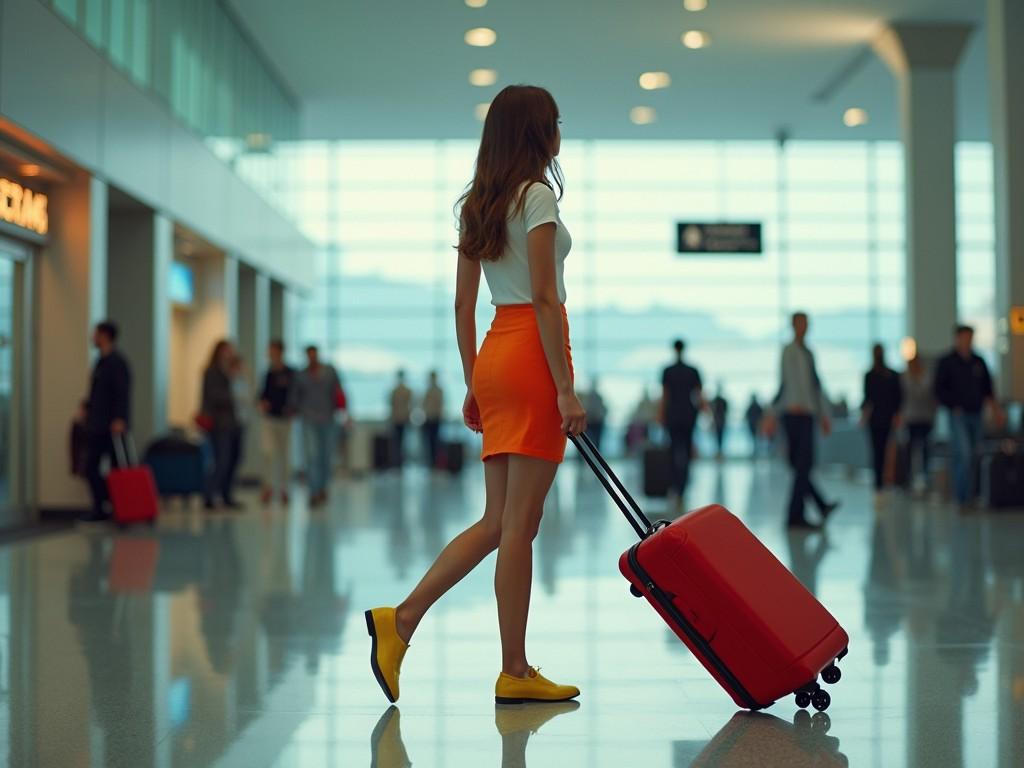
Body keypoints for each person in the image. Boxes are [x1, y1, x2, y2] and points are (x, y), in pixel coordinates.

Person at [366, 85, 586, 707]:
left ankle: (402, 620)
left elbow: (463, 303)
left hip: (494, 351)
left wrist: (472, 380)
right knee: (520, 525)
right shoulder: (537, 197)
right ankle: (513, 669)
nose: (559, 131)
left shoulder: (480, 205)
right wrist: (565, 388)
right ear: (536, 134)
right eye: (554, 123)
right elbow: (545, 297)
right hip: (534, 357)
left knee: (498, 521)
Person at [766, 312, 840, 530]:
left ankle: (809, 509)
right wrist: (771, 414)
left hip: (807, 416)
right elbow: (783, 385)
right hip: (792, 415)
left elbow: (815, 387)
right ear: (793, 326)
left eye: (807, 323)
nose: (804, 327)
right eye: (801, 323)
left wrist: (823, 414)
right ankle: (800, 514)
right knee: (800, 466)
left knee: (802, 466)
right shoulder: (788, 352)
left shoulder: (808, 354)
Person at [933, 325, 1005, 505]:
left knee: (974, 454)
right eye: (964, 337)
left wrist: (996, 411)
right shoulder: (947, 362)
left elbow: (988, 389)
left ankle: (971, 495)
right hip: (958, 415)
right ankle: (961, 497)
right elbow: (938, 390)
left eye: (970, 338)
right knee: (963, 454)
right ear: (957, 338)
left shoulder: (978, 362)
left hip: (976, 413)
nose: (967, 341)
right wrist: (952, 405)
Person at [79, 321, 131, 522]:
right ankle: (102, 507)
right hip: (97, 424)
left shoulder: (117, 362)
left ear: (105, 336)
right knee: (91, 467)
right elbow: (97, 393)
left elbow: (122, 393)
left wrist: (120, 418)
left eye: (96, 334)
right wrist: (86, 407)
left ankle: (120, 507)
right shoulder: (100, 361)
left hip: (112, 426)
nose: (93, 337)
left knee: (118, 469)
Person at [290, 345, 342, 507]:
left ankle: (322, 487)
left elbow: (339, 392)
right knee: (312, 455)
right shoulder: (301, 374)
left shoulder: (330, 372)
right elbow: (295, 396)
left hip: (328, 418)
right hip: (308, 418)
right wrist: (294, 409)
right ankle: (313, 491)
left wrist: (344, 412)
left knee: (326, 455)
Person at [201, 340, 243, 510]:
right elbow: (213, 396)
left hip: (235, 423)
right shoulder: (212, 372)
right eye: (226, 351)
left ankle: (226, 494)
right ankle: (210, 495)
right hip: (220, 424)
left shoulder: (232, 372)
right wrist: (233, 396)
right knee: (221, 460)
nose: (229, 354)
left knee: (234, 459)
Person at [660, 339, 703, 503]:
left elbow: (665, 395)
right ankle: (683, 485)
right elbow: (698, 395)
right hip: (689, 415)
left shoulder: (667, 371)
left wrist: (661, 414)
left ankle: (675, 485)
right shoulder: (693, 371)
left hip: (672, 415)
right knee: (686, 450)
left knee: (673, 450)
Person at [860, 343, 903, 496]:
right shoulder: (874, 375)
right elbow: (868, 399)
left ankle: (885, 481)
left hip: (884, 419)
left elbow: (898, 398)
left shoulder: (889, 375)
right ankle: (880, 482)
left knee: (884, 452)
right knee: (880, 452)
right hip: (880, 419)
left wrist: (897, 415)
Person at [259, 340, 295, 504]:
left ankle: (284, 488)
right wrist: (262, 403)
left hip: (285, 420)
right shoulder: (268, 373)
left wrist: (292, 409)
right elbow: (262, 395)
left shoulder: (290, 373)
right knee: (268, 453)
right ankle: (268, 487)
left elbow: (295, 395)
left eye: (273, 350)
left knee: (284, 455)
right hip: (270, 419)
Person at [901, 353, 936, 491]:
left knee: (926, 448)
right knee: (910, 449)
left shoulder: (927, 376)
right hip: (910, 418)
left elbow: (931, 395)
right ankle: (908, 478)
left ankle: (925, 478)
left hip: (926, 417)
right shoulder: (904, 377)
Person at [389, 370, 413, 467]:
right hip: (400, 418)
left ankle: (399, 462)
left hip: (400, 418)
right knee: (398, 441)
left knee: (399, 441)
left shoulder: (397, 391)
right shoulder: (404, 391)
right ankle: (398, 462)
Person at [421, 371, 444, 468]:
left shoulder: (437, 391)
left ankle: (434, 462)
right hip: (429, 418)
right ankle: (431, 462)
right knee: (429, 441)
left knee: (435, 441)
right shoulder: (431, 390)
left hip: (435, 418)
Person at [583, 380, 608, 451]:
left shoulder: (594, 396)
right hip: (591, 421)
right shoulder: (593, 396)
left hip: (594, 421)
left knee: (593, 441)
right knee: (591, 441)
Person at [710, 386, 729, 459]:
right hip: (719, 421)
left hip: (719, 421)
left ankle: (719, 453)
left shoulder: (717, 401)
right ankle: (719, 453)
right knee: (719, 437)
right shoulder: (720, 401)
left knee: (719, 437)